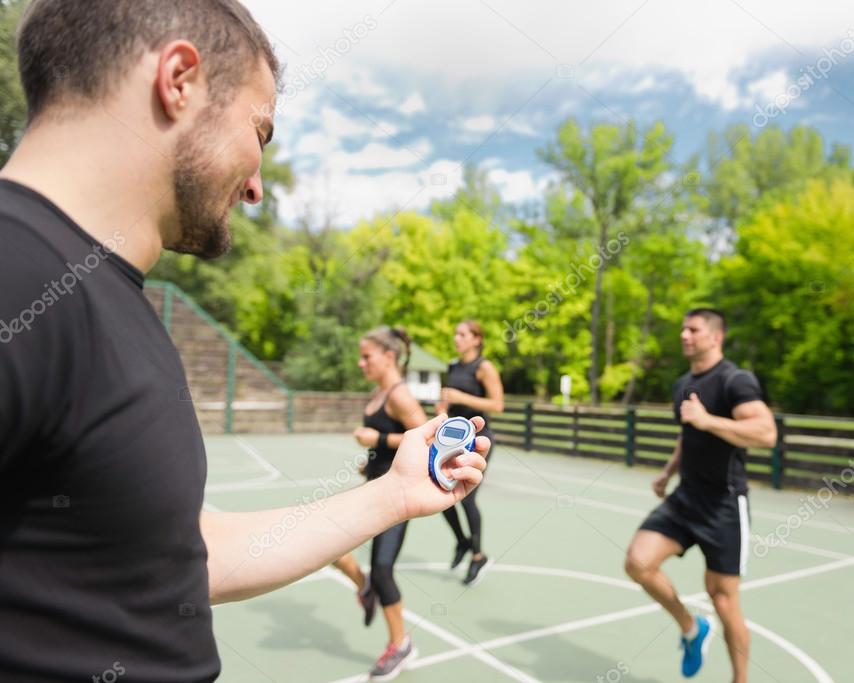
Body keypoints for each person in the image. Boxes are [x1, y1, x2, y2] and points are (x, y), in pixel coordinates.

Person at [0, 2, 488, 681]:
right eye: (260, 130)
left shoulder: (108, 297)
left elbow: (189, 555)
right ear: (179, 80)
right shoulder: (18, 268)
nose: (257, 185)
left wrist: (394, 495)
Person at [624, 309, 776, 682]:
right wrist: (667, 471)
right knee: (638, 563)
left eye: (693, 329)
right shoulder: (682, 385)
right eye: (683, 328)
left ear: (715, 336)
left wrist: (707, 419)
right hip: (685, 496)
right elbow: (687, 435)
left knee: (723, 601)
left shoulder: (735, 380)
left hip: (723, 506)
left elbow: (766, 433)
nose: (684, 335)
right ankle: (692, 629)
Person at [331, 326, 428, 680]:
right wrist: (371, 459)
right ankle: (364, 586)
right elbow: (386, 446)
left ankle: (401, 645)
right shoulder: (378, 392)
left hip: (397, 495)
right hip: (374, 487)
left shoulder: (400, 396)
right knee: (332, 546)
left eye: (366, 356)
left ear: (389, 357)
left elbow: (426, 438)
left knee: (384, 569)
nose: (360, 363)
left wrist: (379, 438)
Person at [435, 320, 504, 586]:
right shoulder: (452, 366)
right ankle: (462, 542)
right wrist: (441, 412)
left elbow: (497, 404)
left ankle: (478, 556)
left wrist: (463, 398)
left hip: (478, 437)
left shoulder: (484, 367)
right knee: (441, 490)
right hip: (452, 438)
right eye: (455, 333)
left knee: (466, 499)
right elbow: (445, 403)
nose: (457, 338)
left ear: (477, 339)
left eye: (462, 334)